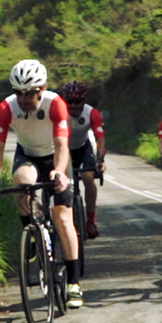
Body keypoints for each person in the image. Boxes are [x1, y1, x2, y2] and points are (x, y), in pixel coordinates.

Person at [0, 60, 84, 308]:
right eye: (19, 93)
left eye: (30, 93)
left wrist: (59, 173)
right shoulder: (6, 107)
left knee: (63, 218)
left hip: (55, 157)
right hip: (28, 156)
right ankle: (32, 234)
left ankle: (74, 282)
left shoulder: (55, 103)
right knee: (21, 182)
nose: (24, 99)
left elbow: (61, 145)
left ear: (42, 88)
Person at [61, 81, 106, 239]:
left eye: (77, 102)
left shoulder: (92, 113)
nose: (73, 106)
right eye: (69, 102)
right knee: (62, 183)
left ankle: (90, 221)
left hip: (83, 147)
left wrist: (100, 159)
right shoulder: (59, 112)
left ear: (84, 101)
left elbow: (100, 140)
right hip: (64, 149)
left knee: (88, 178)